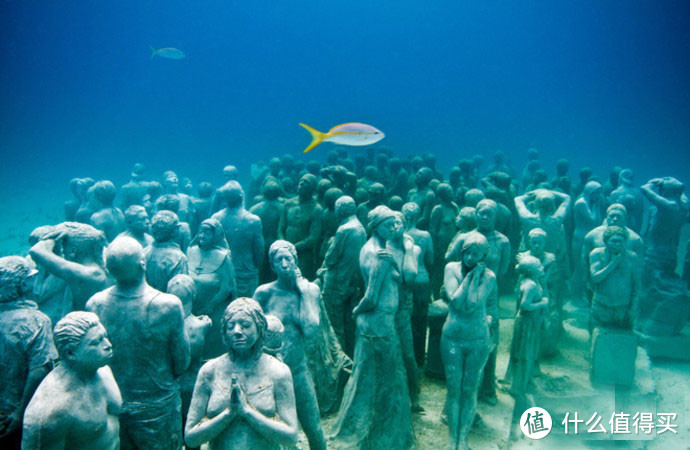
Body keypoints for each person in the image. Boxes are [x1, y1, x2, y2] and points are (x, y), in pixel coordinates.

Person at [86, 237, 190, 450]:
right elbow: (181, 362)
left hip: (111, 403)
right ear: (143, 264)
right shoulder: (167, 305)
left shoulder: (94, 304)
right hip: (157, 407)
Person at [331, 206, 415, 449]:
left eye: (394, 224)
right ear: (376, 226)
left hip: (380, 323)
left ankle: (379, 432)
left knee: (372, 378)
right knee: (382, 379)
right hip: (377, 324)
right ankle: (379, 435)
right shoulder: (379, 254)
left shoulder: (376, 250)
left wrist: (396, 269)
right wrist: (356, 312)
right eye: (388, 225)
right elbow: (370, 297)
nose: (394, 228)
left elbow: (396, 280)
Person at [185, 298, 298, 450]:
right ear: (224, 331)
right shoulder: (210, 371)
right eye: (230, 326)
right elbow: (191, 438)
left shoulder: (278, 371)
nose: (237, 331)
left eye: (245, 325)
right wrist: (228, 413)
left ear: (260, 328)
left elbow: (290, 437)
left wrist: (247, 412)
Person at [254, 241, 327, 450]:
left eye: (289, 259)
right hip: (270, 372)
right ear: (273, 265)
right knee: (277, 430)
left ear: (296, 261)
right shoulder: (264, 293)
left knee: (313, 427)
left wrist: (304, 291)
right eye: (279, 260)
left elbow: (311, 328)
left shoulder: (310, 290)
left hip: (298, 370)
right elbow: (253, 331)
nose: (285, 264)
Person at [22, 312, 122, 450]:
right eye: (96, 342)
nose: (108, 345)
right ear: (70, 353)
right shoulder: (52, 412)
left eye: (105, 337)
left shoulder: (102, 369)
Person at [441, 232, 497, 450]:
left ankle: (463, 439)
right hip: (453, 336)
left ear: (484, 255)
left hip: (477, 339)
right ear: (461, 251)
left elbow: (473, 304)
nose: (470, 257)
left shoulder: (489, 276)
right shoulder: (451, 268)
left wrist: (475, 276)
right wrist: (472, 276)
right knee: (453, 388)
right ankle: (451, 439)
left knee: (470, 389)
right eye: (467, 252)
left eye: (476, 254)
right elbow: (455, 301)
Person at [0, 256, 57, 449]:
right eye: (32, 278)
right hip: (19, 414)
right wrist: (20, 413)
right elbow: (40, 370)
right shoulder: (37, 321)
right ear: (23, 284)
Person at [320, 195, 367, 356]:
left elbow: (331, 258)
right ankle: (351, 360)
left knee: (335, 327)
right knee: (350, 326)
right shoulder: (361, 227)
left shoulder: (344, 229)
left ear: (340, 210)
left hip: (337, 284)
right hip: (352, 284)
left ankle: (338, 363)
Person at [29, 222, 110, 311]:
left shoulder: (92, 274)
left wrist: (49, 239)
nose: (62, 251)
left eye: (63, 247)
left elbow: (36, 251)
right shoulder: (100, 265)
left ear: (73, 251)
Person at [186, 218, 236, 357]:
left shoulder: (223, 257)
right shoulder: (191, 251)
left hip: (214, 308)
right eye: (200, 232)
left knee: (212, 345)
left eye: (207, 233)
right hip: (194, 307)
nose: (202, 235)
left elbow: (227, 287)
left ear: (215, 235)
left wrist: (210, 306)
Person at [212, 180, 265, 297]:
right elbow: (259, 251)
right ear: (241, 196)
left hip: (221, 271)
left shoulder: (216, 218)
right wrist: (256, 268)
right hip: (245, 273)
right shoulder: (253, 220)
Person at [506, 256, 548, 397]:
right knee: (525, 354)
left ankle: (524, 382)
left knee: (527, 353)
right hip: (526, 323)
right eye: (539, 266)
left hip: (530, 323)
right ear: (531, 271)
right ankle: (518, 388)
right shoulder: (531, 285)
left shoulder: (531, 281)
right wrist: (542, 303)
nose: (542, 267)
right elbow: (525, 306)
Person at [589, 226, 640, 331]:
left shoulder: (632, 257)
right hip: (601, 305)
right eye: (613, 241)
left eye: (620, 241)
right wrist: (612, 264)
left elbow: (636, 285)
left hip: (623, 308)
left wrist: (633, 307)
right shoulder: (597, 254)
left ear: (625, 242)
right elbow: (595, 278)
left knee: (623, 339)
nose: (617, 244)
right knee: (598, 335)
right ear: (606, 241)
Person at [402, 202, 434, 366]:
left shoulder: (398, 235)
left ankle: (406, 356)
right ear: (418, 215)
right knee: (420, 320)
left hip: (405, 281)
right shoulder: (425, 236)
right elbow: (430, 259)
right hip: (422, 279)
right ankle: (419, 357)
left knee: (404, 318)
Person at [278, 173, 323, 280]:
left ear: (312, 188)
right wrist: (283, 245)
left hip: (304, 256)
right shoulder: (288, 204)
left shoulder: (317, 209)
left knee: (301, 283)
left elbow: (313, 238)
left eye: (306, 182)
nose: (301, 184)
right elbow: (281, 228)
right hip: (285, 253)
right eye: (301, 181)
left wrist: (292, 248)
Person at [144, 210, 188, 292]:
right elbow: (180, 291)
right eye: (178, 227)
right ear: (174, 231)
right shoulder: (178, 258)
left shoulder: (144, 252)